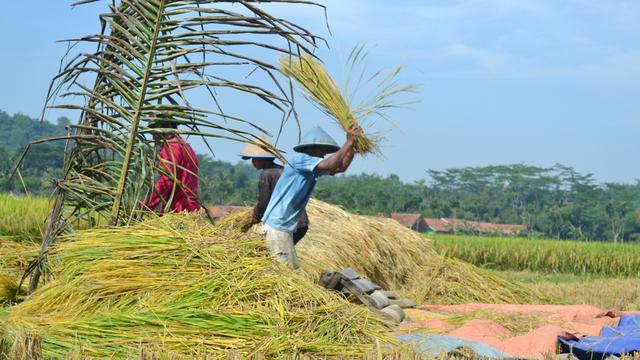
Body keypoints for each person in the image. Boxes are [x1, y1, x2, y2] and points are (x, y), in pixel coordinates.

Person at [261, 124, 363, 268]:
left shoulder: (311, 169)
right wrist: (348, 143)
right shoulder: (299, 159)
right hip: (277, 226)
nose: (323, 155)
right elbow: (329, 165)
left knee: (291, 271)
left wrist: (353, 147)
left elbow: (339, 167)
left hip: (283, 227)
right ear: (311, 148)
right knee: (285, 273)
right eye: (322, 150)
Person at [239, 136, 309, 243]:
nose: (252, 162)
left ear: (263, 159)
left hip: (287, 224)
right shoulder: (282, 170)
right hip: (300, 223)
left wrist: (253, 218)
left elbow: (263, 203)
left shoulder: (267, 174)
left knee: (275, 254)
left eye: (254, 159)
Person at [144, 120, 200, 213]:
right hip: (190, 208)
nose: (155, 139)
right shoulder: (185, 146)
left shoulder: (171, 147)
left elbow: (166, 181)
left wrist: (145, 205)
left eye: (155, 134)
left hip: (180, 208)